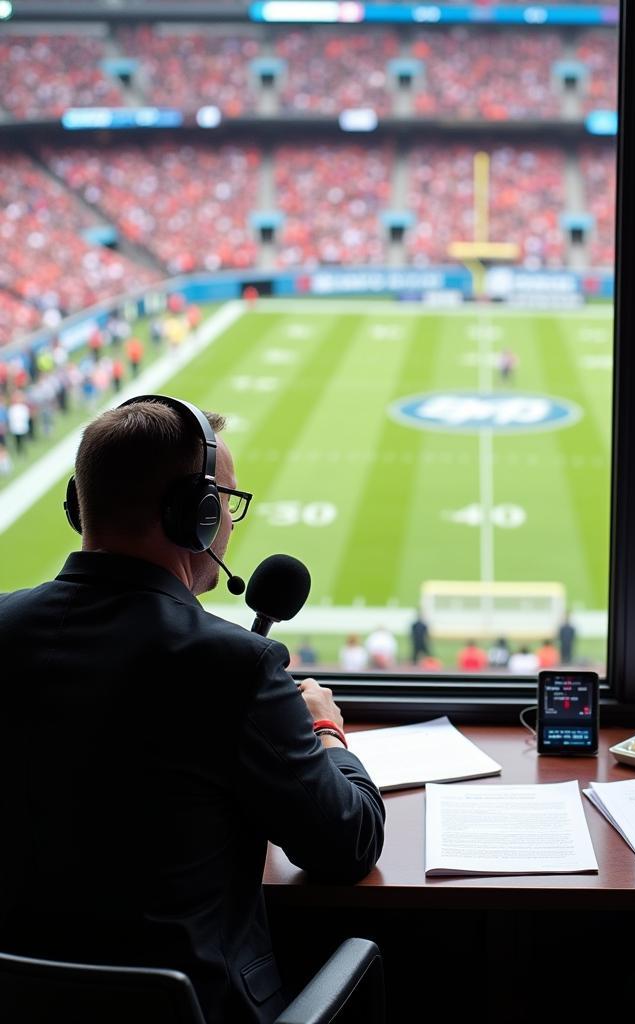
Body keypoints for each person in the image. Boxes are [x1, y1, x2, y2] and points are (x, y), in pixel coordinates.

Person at [0, 396, 385, 1024]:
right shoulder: (236, 666)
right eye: (226, 503)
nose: (229, 523)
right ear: (196, 515)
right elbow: (349, 843)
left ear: (80, 505)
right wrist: (325, 728)